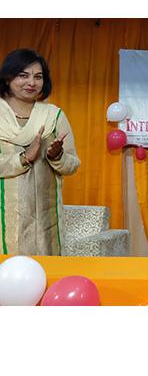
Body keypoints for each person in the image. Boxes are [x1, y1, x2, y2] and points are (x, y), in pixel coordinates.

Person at [0, 48, 80, 255]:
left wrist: (57, 156)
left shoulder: (54, 115)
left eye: (38, 77)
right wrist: (24, 159)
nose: (32, 83)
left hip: (46, 219)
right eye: (23, 75)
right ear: (8, 77)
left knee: (46, 275)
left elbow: (73, 165)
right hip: (4, 217)